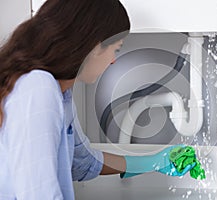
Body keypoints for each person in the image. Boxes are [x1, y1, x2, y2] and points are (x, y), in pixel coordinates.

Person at [0, 0, 196, 199]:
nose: (113, 60)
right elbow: (40, 194)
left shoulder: (62, 95)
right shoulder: (38, 86)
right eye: (116, 49)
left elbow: (82, 162)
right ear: (92, 45)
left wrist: (154, 161)